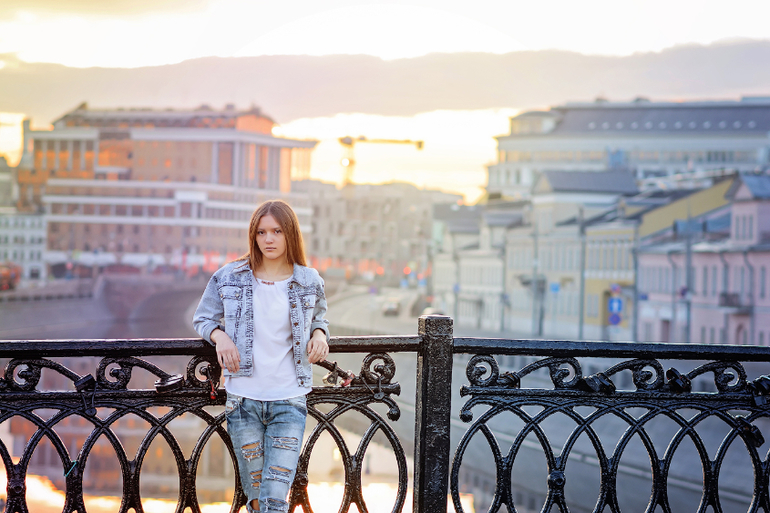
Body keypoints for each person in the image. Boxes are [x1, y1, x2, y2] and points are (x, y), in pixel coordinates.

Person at [193, 199, 330, 513]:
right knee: (255, 498)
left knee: (274, 499)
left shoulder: (308, 280)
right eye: (261, 232)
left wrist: (320, 335)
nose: (268, 239)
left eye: (277, 231)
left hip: (289, 400)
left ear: (290, 234)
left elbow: (319, 317)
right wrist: (220, 337)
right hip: (243, 401)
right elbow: (203, 318)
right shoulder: (229, 276)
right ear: (253, 236)